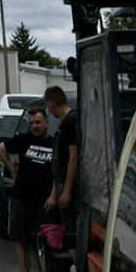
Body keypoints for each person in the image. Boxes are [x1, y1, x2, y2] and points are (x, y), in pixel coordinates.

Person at [0, 106, 54, 272]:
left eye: (38, 122)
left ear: (46, 122)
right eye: (31, 123)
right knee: (21, 239)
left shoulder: (54, 144)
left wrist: (53, 195)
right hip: (22, 198)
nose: (34, 126)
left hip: (44, 201)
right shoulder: (23, 140)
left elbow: (59, 174)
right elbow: (0, 148)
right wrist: (12, 167)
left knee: (44, 242)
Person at [43, 85, 78, 232]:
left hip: (70, 188)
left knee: (70, 229)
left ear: (50, 105)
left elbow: (74, 157)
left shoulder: (70, 122)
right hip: (61, 185)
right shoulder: (67, 122)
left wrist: (67, 191)